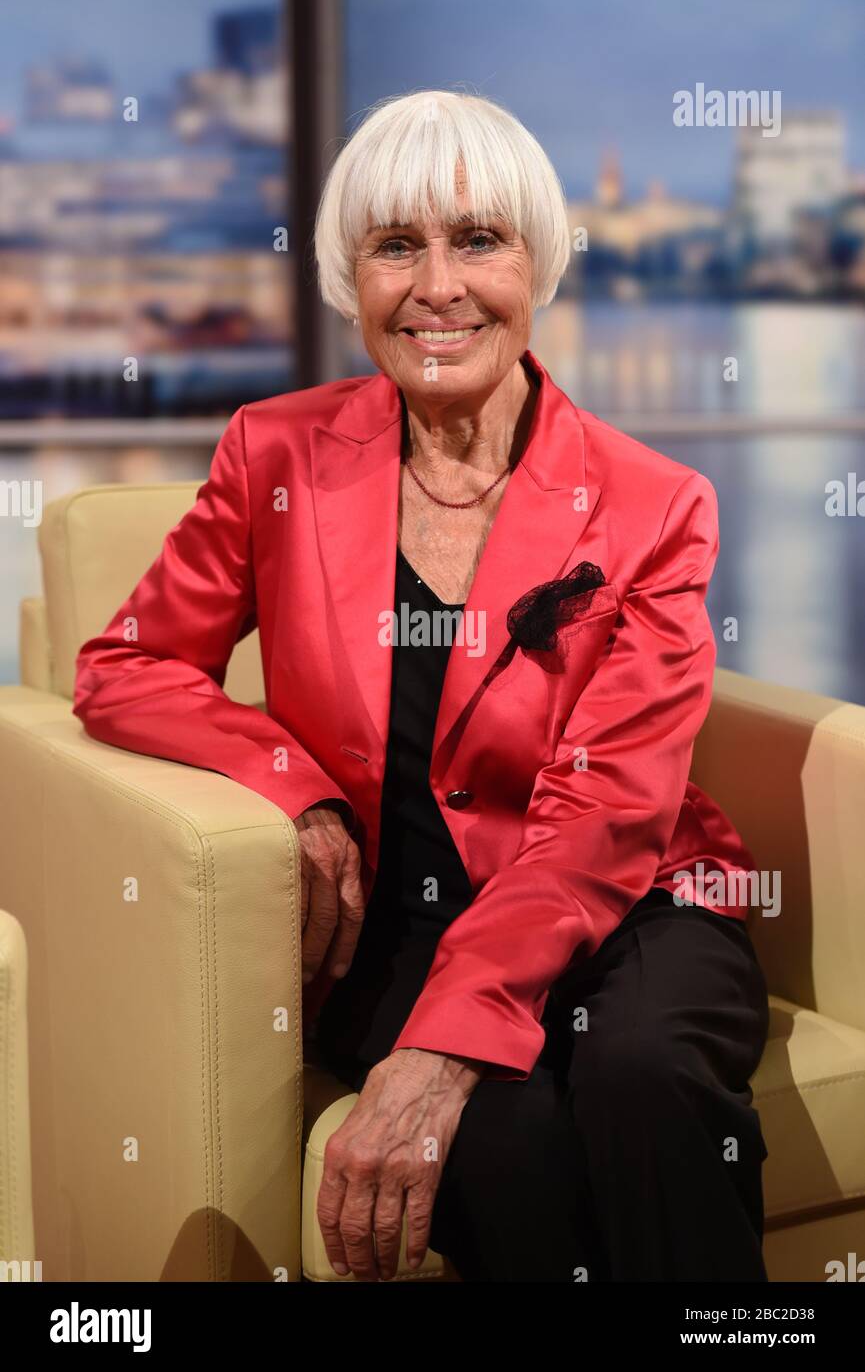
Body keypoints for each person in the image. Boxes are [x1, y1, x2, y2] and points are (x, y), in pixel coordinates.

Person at [73, 88, 771, 1284]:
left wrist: (445, 1049)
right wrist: (290, 783)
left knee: (647, 1079)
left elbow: (606, 813)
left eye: (477, 240)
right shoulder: (275, 452)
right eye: (396, 246)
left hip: (627, 899)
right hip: (398, 919)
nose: (436, 285)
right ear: (353, 279)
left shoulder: (656, 502)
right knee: (514, 1154)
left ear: (536, 262)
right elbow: (123, 665)